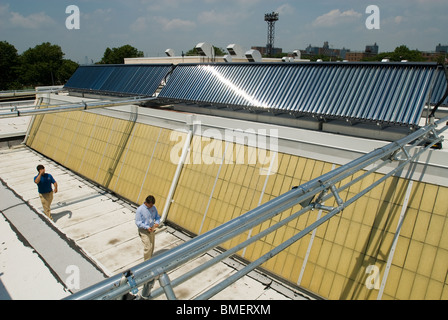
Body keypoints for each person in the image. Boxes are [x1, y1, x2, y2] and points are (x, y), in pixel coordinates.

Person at [135, 195, 160, 261]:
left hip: (152, 229)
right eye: (150, 205)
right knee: (148, 247)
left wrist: (157, 222)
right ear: (146, 203)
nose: (151, 207)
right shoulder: (140, 210)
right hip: (144, 231)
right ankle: (146, 263)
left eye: (152, 205)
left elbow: (157, 217)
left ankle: (149, 260)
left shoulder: (153, 208)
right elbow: (138, 222)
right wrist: (146, 227)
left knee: (152, 247)